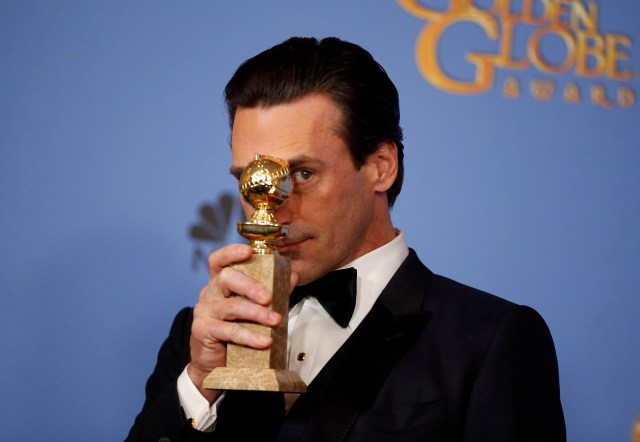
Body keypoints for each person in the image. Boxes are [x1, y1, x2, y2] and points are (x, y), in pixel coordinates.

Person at [127, 36, 565, 441]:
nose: (272, 207)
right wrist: (200, 384)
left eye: (302, 174)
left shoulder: (489, 339)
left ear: (380, 166)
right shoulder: (199, 334)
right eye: (251, 180)